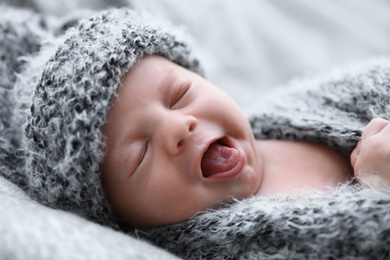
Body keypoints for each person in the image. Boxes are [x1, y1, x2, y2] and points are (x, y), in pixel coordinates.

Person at [2, 7, 390, 234]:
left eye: (179, 96)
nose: (178, 127)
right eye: (140, 153)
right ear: (119, 215)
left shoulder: (288, 111)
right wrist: (376, 188)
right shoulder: (230, 240)